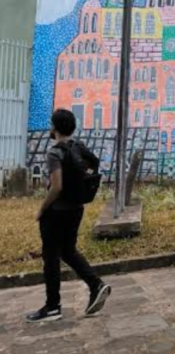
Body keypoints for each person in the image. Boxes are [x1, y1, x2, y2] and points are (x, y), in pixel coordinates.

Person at [27, 109, 111, 323]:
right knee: (67, 250)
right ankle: (95, 285)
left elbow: (56, 187)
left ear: (54, 128)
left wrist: (41, 209)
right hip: (76, 208)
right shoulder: (79, 147)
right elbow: (94, 164)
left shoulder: (55, 152)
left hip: (56, 212)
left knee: (51, 258)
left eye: (50, 125)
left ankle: (53, 306)